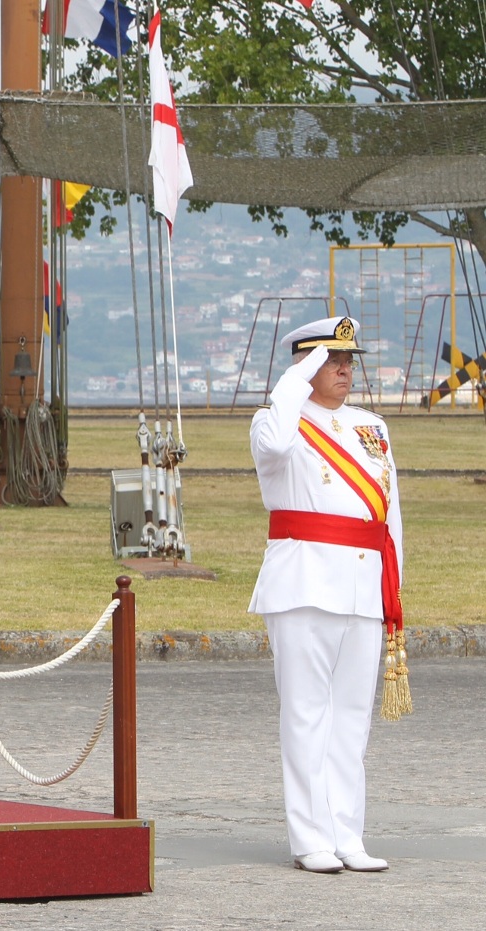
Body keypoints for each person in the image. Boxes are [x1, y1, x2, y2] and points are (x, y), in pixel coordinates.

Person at [249, 316, 403, 875]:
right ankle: (310, 837)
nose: (344, 369)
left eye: (348, 360)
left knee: (352, 717)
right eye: (330, 360)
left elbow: (390, 514)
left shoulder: (372, 427)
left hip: (364, 583)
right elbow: (276, 447)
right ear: (305, 365)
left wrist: (394, 585)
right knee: (306, 713)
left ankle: (348, 835)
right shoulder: (276, 419)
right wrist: (293, 382)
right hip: (305, 583)